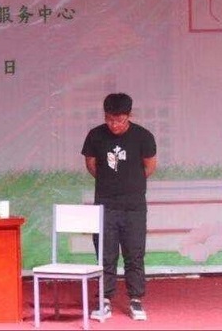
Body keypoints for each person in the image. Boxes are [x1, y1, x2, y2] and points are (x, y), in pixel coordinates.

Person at [82, 93, 157, 322]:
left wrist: (129, 183)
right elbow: (91, 165)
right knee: (105, 254)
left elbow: (149, 167)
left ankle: (135, 299)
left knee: (134, 253)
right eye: (109, 119)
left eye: (119, 120)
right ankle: (104, 299)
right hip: (105, 205)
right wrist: (110, 183)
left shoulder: (143, 136)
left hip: (134, 207)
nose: (114, 124)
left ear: (129, 115)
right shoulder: (95, 135)